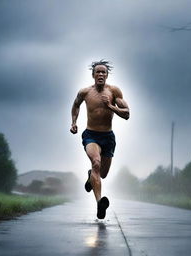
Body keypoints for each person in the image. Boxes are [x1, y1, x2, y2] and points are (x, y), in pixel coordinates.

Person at [70, 60, 130, 219]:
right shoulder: (85, 92)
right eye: (98, 72)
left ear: (107, 75)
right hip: (91, 135)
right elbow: (76, 105)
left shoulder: (114, 92)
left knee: (102, 174)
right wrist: (74, 123)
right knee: (96, 162)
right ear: (93, 75)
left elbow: (127, 114)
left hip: (108, 137)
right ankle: (99, 202)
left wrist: (110, 106)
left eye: (104, 72)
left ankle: (91, 176)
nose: (101, 74)